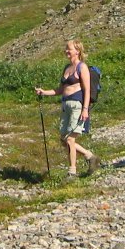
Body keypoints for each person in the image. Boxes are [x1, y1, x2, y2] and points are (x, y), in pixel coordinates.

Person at [35, 40, 100, 176]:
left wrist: (85, 109)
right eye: (66, 48)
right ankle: (90, 157)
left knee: (70, 139)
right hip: (65, 105)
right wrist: (44, 92)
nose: (66, 51)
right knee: (64, 139)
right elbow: (60, 90)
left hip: (77, 105)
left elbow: (87, 90)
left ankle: (72, 172)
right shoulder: (67, 68)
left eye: (69, 49)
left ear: (77, 51)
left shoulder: (82, 67)